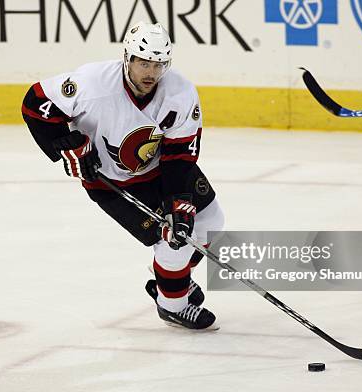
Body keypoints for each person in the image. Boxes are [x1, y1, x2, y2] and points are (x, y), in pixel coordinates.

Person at [21, 21, 224, 330]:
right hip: (113, 181)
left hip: (161, 168)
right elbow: (35, 105)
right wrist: (64, 147)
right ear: (127, 57)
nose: (151, 73)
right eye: (143, 62)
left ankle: (171, 279)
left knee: (210, 222)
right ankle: (173, 305)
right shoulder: (91, 84)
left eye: (158, 64)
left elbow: (180, 154)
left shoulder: (180, 93)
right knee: (172, 241)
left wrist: (177, 201)